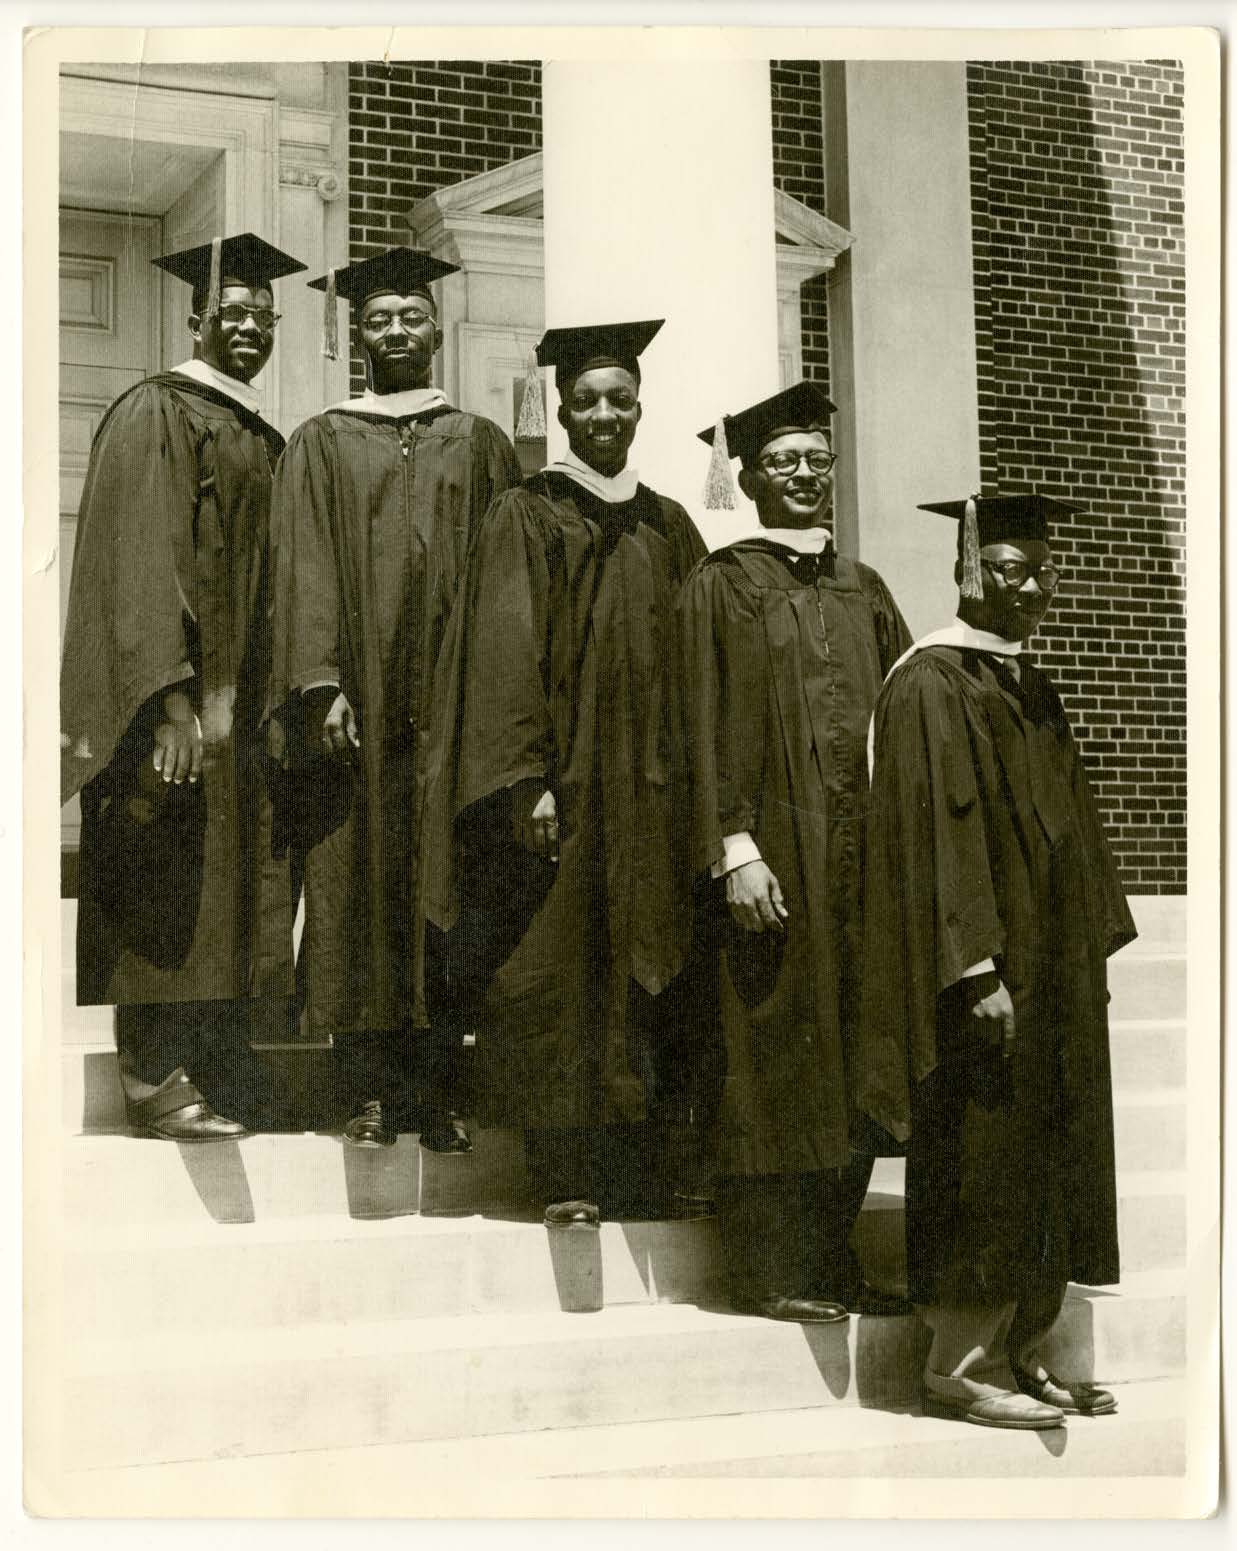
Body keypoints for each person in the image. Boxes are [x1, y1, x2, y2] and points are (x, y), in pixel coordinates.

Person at [423, 319, 716, 1230]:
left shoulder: (670, 522)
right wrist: (524, 782)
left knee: (649, 969)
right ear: (559, 408)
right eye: (584, 400)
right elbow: (503, 650)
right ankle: (567, 1172)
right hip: (567, 794)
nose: (601, 414)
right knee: (558, 971)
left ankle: (643, 1164)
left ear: (639, 408)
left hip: (655, 793)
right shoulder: (526, 510)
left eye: (617, 400)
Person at [858, 492, 1136, 1429]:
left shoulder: (1027, 682)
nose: (1027, 591)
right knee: (982, 1152)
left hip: (1049, 970)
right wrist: (972, 966)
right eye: (1006, 571)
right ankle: (958, 1362)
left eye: (1040, 572)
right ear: (966, 574)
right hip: (983, 977)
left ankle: (1022, 1347)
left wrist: (1083, 947)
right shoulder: (932, 680)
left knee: (1048, 1150)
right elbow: (938, 839)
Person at [267, 247, 521, 1150]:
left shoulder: (482, 442)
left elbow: (507, 578)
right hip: (360, 708)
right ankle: (368, 1088)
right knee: (358, 882)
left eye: (412, 316)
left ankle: (439, 1091)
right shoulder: (321, 440)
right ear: (355, 335)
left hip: (455, 700)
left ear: (435, 329)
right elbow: (301, 566)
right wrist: (320, 680)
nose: (398, 333)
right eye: (379, 319)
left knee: (446, 884)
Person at [676, 381, 914, 1323]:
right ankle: (769, 1266)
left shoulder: (866, 588)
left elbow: (901, 721)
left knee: (852, 1050)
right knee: (770, 1050)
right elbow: (697, 725)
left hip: (860, 866)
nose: (804, 474)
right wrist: (733, 846)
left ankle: (834, 1255)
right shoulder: (722, 583)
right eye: (782, 461)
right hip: (772, 862)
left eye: (816, 458)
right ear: (746, 475)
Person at [61, 233, 305, 1140]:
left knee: (227, 887)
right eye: (231, 314)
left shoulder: (257, 431)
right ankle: (152, 1076)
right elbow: (137, 555)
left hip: (236, 707)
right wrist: (168, 700)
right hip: (178, 706)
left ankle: (216, 1063)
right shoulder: (154, 411)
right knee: (166, 882)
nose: (247, 328)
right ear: (198, 320)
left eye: (261, 317)